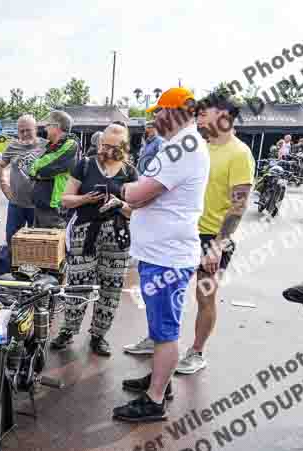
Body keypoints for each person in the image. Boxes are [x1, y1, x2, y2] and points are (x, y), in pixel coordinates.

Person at [114, 87, 209, 422]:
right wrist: (134, 197)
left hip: (167, 255)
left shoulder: (184, 148)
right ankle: (159, 378)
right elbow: (146, 197)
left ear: (177, 112)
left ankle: (155, 399)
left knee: (165, 329)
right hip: (161, 251)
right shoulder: (178, 145)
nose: (154, 117)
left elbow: (142, 192)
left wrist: (119, 188)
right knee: (158, 323)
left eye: (160, 111)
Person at [50, 123, 136, 355]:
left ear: (124, 147)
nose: (107, 150)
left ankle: (99, 335)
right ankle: (68, 330)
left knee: (111, 287)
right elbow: (65, 199)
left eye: (113, 147)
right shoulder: (85, 165)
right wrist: (86, 198)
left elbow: (135, 211)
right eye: (104, 145)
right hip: (84, 233)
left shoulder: (129, 172)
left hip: (117, 236)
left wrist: (119, 204)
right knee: (78, 284)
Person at [0, 114, 48, 244]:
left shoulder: (46, 146)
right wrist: (4, 186)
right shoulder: (12, 147)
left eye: (28, 130)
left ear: (35, 129)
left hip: (38, 206)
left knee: (37, 244)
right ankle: (13, 265)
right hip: (16, 204)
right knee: (12, 241)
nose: (24, 134)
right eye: (21, 131)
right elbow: (0, 166)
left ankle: (33, 265)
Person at [29, 110, 79, 229]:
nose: (45, 128)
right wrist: (36, 169)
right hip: (42, 205)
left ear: (56, 126)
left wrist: (37, 169)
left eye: (48, 125)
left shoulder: (71, 144)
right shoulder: (52, 146)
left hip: (54, 207)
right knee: (40, 244)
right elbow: (32, 168)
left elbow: (45, 167)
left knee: (55, 244)